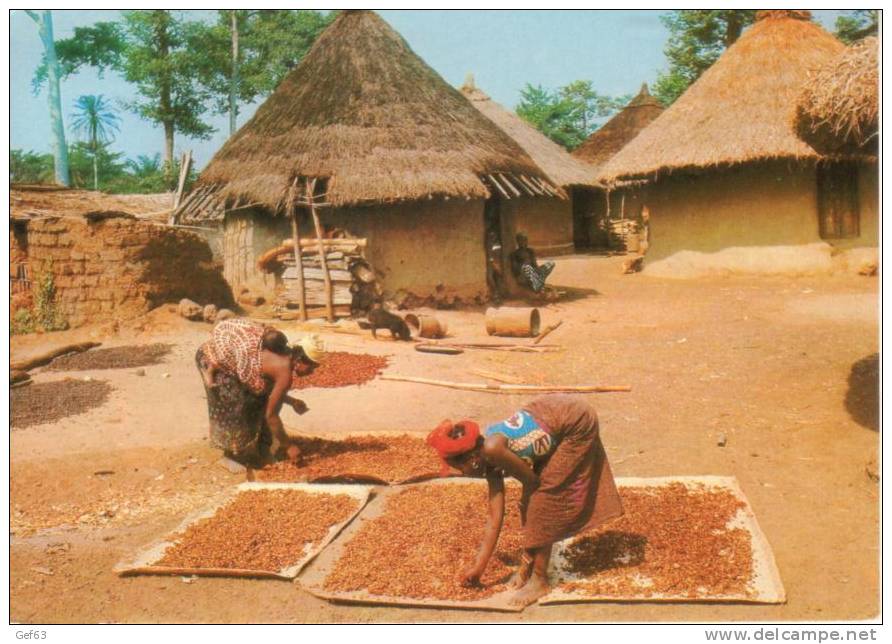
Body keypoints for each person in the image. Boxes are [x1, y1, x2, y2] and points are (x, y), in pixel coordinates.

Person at [426, 395, 623, 606]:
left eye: (460, 469)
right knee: (532, 506)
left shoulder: (493, 449)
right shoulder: (488, 459)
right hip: (549, 416)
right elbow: (495, 516)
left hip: (575, 421)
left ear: (472, 459)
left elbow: (533, 484)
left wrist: (528, 515)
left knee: (543, 503)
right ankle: (529, 564)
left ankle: (539, 579)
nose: (463, 474)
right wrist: (478, 569)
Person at [196, 317, 324, 467]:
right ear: (301, 359)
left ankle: (260, 449)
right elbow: (271, 415)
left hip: (228, 357)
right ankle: (231, 456)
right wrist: (289, 446)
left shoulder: (284, 354)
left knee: (258, 400)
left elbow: (269, 393)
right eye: (311, 367)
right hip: (211, 358)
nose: (311, 372)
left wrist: (291, 401)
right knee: (236, 406)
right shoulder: (284, 373)